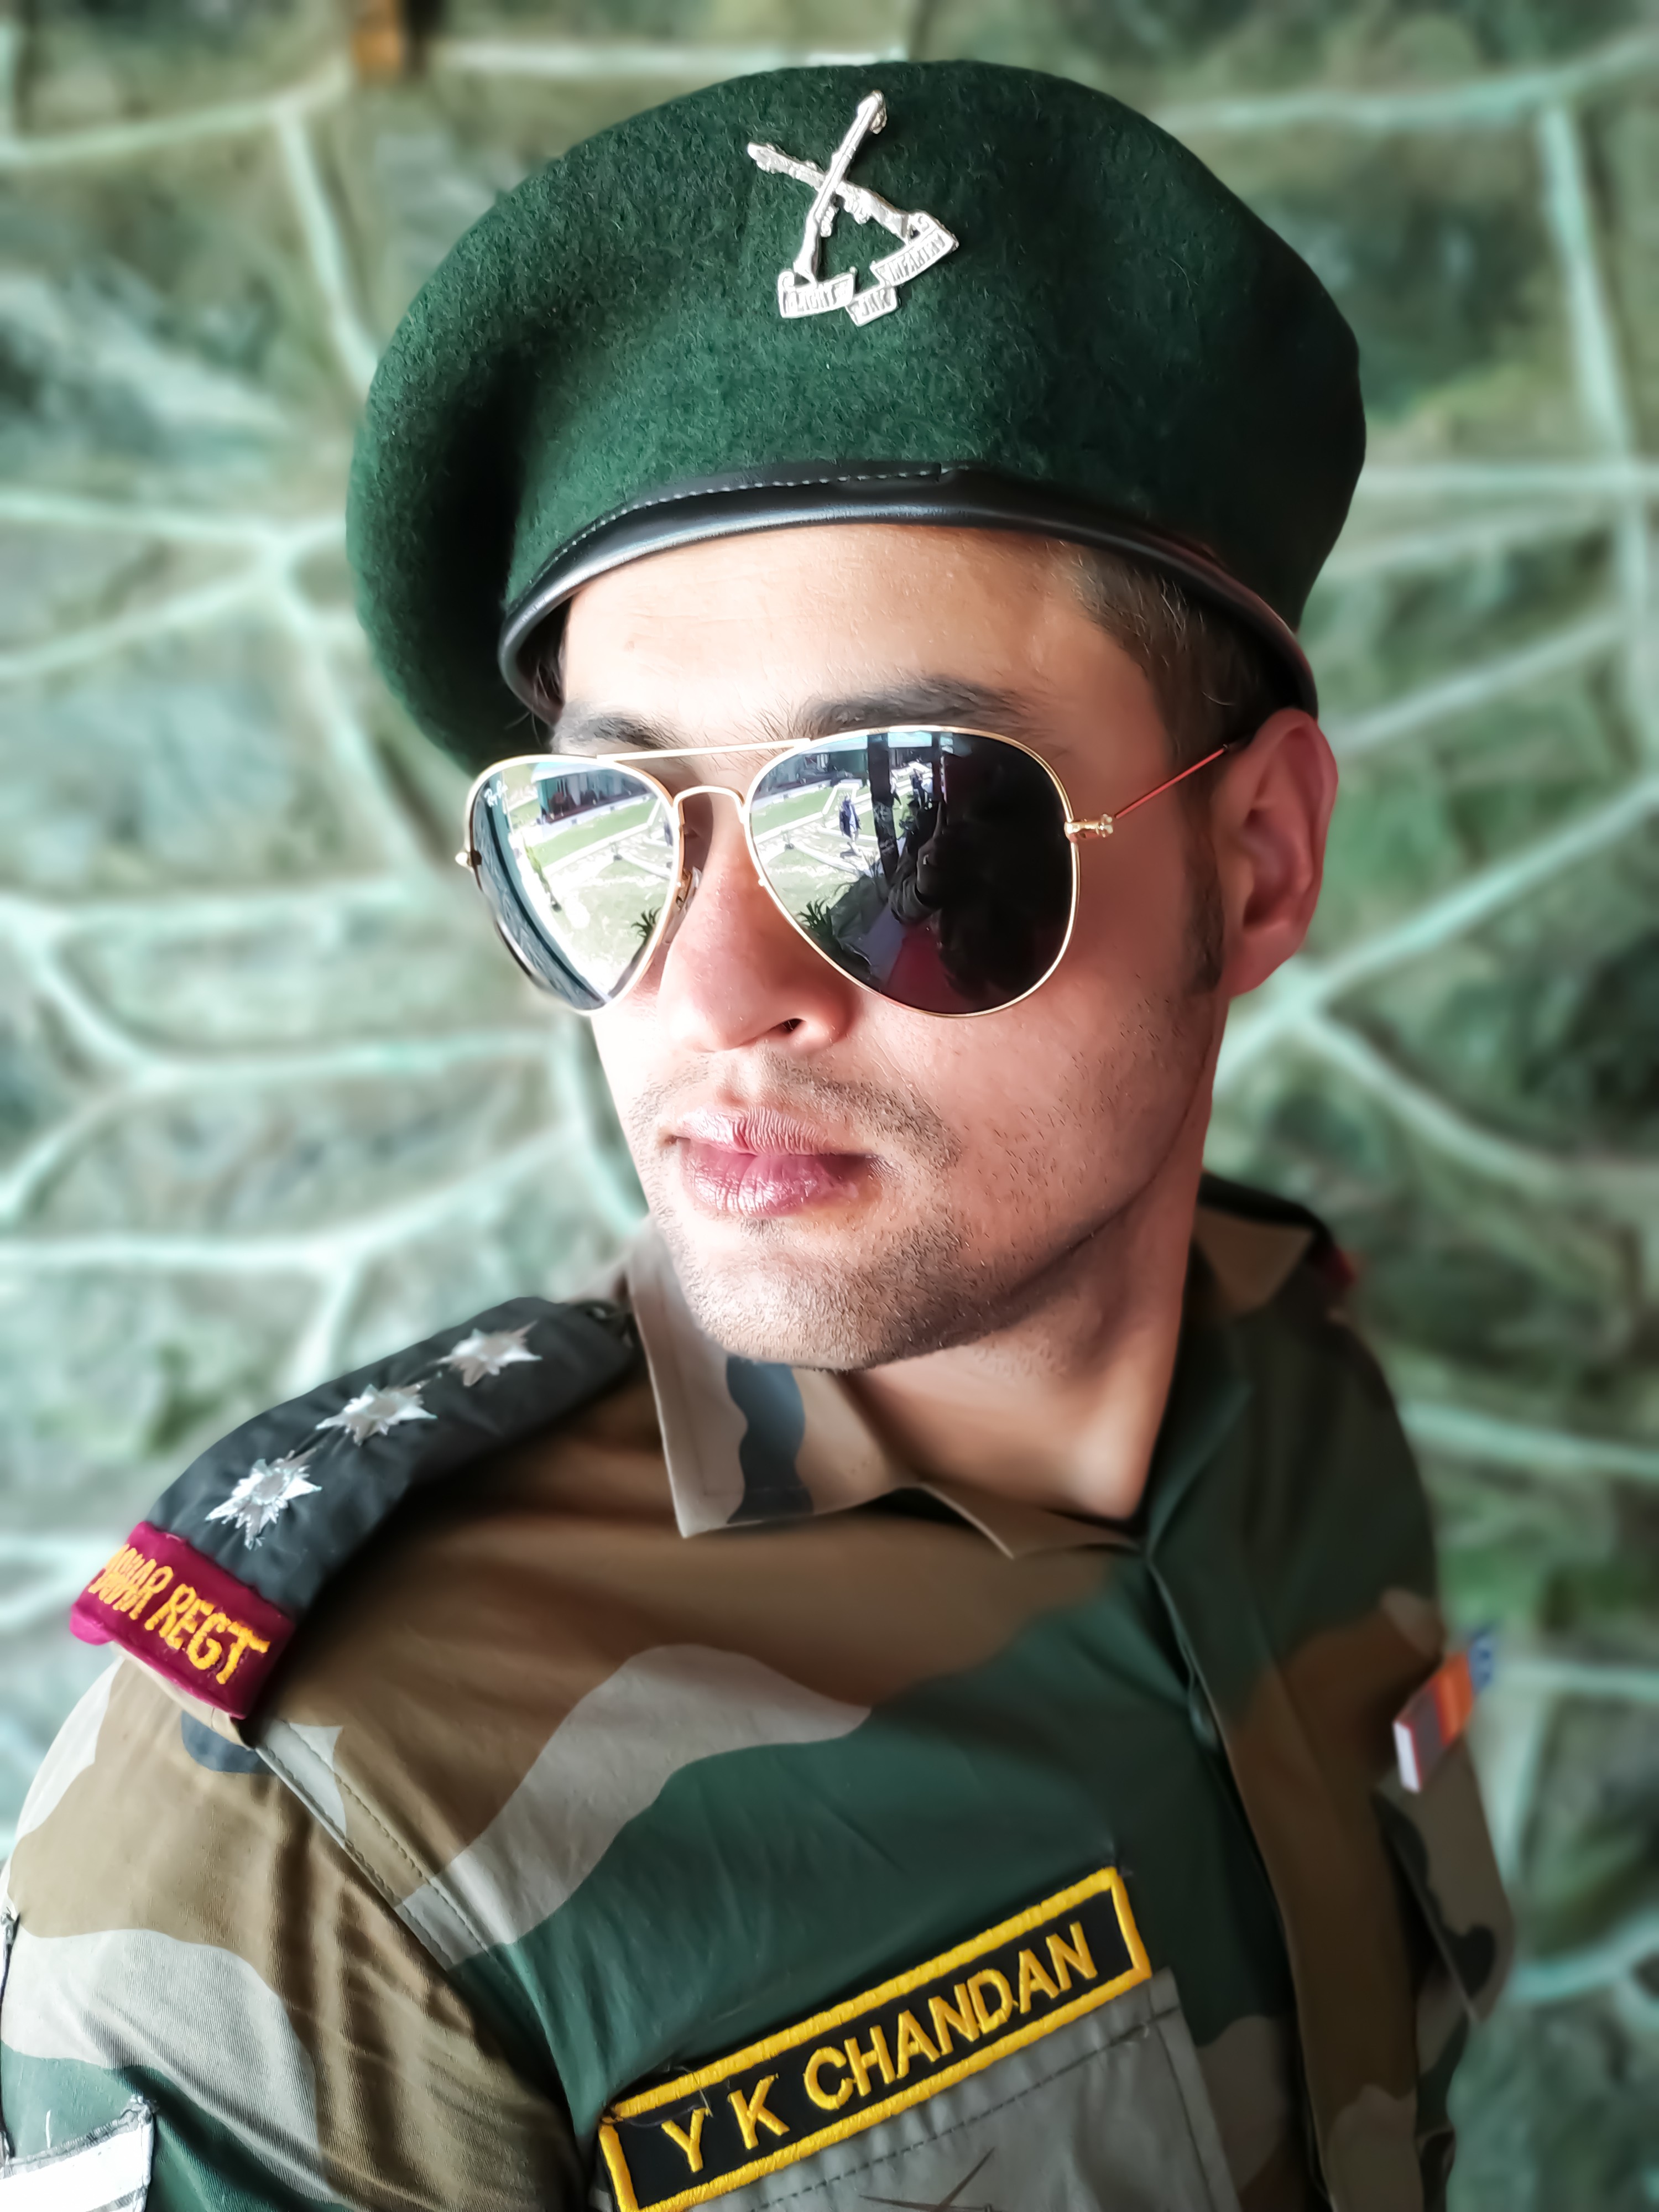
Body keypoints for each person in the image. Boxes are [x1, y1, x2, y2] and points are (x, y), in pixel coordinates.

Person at [1, 61, 1511, 2212]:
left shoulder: (1305, 1397)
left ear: (1256, 860)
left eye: (900, 828)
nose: (707, 994)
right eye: (603, 830)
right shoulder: (319, 1829)